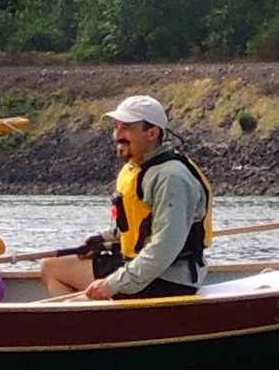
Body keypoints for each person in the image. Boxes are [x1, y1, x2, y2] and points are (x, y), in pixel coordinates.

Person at [38, 94, 213, 301]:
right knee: (50, 267)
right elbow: (131, 228)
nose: (117, 135)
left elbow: (164, 248)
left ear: (153, 133)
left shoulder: (171, 178)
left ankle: (93, 316)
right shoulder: (135, 169)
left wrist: (113, 284)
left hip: (168, 278)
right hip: (136, 265)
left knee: (73, 305)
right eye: (116, 127)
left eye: (127, 128)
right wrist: (102, 240)